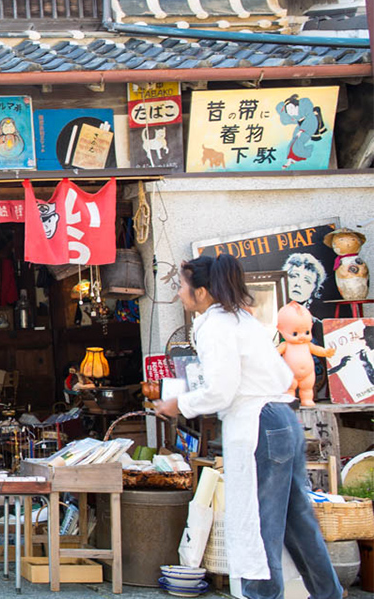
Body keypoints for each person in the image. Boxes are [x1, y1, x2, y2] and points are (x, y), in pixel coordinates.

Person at [154, 254, 341, 599]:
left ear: (203, 292)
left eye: (182, 286)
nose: (179, 293)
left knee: (257, 522)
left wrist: (178, 403)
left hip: (260, 425)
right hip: (281, 418)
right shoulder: (239, 318)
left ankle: (262, 595)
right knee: (296, 520)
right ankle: (329, 592)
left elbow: (221, 391)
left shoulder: (215, 326)